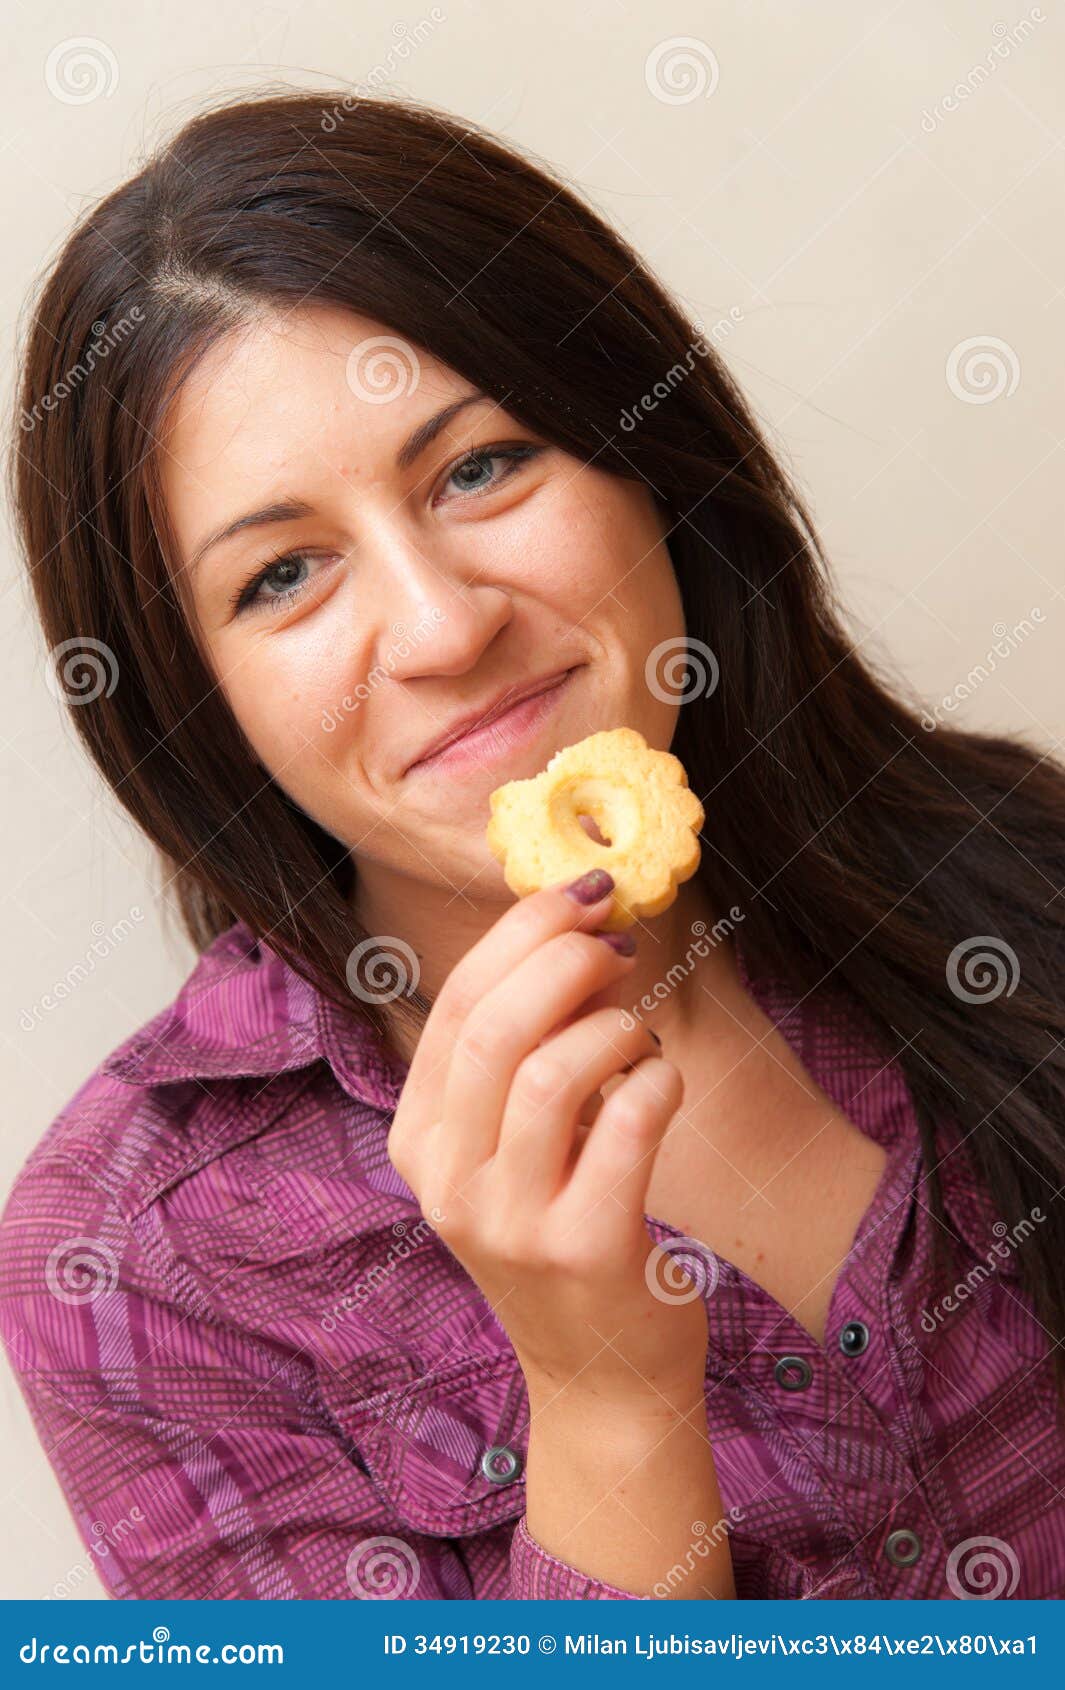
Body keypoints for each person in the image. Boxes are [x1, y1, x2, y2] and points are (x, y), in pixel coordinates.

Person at [2, 89, 1064, 1602]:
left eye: (480, 468)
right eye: (285, 573)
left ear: (648, 458)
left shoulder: (1008, 868)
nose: (443, 625)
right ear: (191, 693)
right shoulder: (135, 1258)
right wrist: (608, 1407)